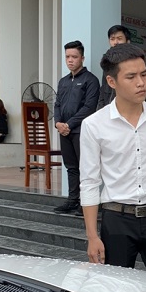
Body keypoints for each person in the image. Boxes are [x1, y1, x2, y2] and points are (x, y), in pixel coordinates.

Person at [79, 43, 146, 278]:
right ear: (112, 81)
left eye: (144, 74)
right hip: (117, 219)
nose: (141, 82)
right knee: (113, 289)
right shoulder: (94, 125)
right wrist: (92, 236)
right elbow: (89, 182)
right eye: (131, 77)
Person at [53, 40, 100, 214]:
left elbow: (89, 107)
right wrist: (58, 123)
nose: (70, 60)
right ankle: (73, 200)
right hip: (64, 132)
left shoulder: (91, 80)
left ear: (82, 58)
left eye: (74, 56)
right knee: (71, 167)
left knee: (85, 168)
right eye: (67, 57)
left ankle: (86, 203)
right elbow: (57, 104)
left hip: (82, 131)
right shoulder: (63, 81)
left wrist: (69, 124)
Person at [97, 25, 131, 110]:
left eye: (119, 38)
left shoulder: (133, 62)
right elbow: (103, 89)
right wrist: (100, 110)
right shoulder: (107, 62)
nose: (115, 42)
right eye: (112, 39)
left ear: (127, 41)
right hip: (108, 109)